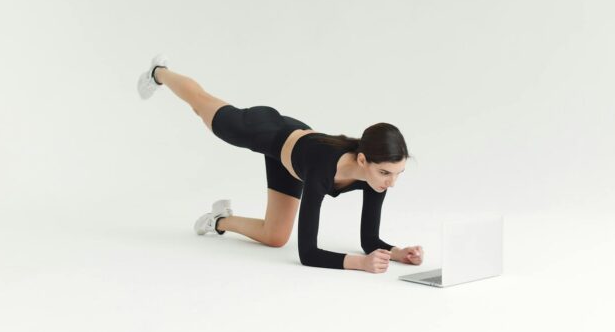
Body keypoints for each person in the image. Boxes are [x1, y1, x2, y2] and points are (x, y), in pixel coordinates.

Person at [137, 54, 423, 273]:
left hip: (294, 157)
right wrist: (360, 264)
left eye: (398, 174)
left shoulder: (376, 180)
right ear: (363, 160)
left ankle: (219, 219)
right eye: (386, 172)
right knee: (202, 104)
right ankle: (159, 72)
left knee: (275, 237)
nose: (391, 182)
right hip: (266, 131)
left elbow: (369, 240)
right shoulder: (323, 170)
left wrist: (397, 253)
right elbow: (308, 253)